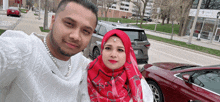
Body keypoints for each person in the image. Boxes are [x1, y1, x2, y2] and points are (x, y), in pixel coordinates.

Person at [0, 0, 97, 101]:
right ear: (53, 22)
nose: (76, 36)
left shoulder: (82, 64)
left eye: (86, 31)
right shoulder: (23, 50)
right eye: (69, 24)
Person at [84, 29, 153, 102]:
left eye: (120, 50)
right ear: (102, 51)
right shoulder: (85, 75)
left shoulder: (139, 85)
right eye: (108, 48)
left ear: (127, 54)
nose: (113, 55)